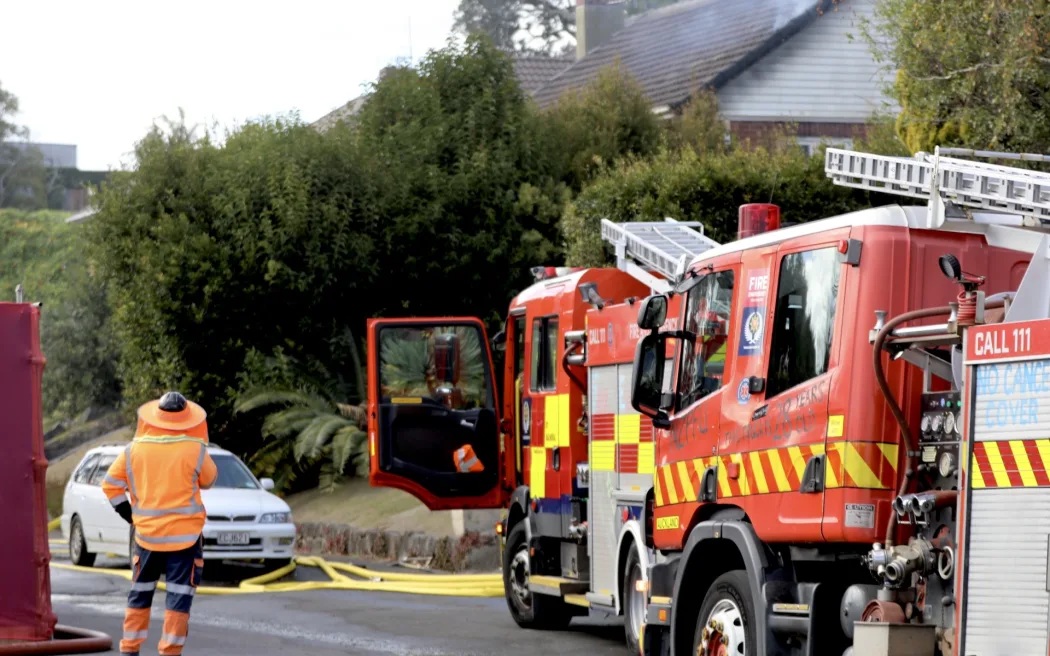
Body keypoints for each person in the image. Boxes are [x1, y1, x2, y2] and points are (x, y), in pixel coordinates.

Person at [101, 391, 217, 656]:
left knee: (139, 594)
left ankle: (129, 648)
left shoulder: (134, 450)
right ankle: (170, 651)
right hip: (185, 540)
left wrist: (130, 514)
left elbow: (111, 485)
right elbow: (209, 481)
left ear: (155, 417)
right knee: (178, 599)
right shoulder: (196, 449)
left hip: (146, 539)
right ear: (188, 419)